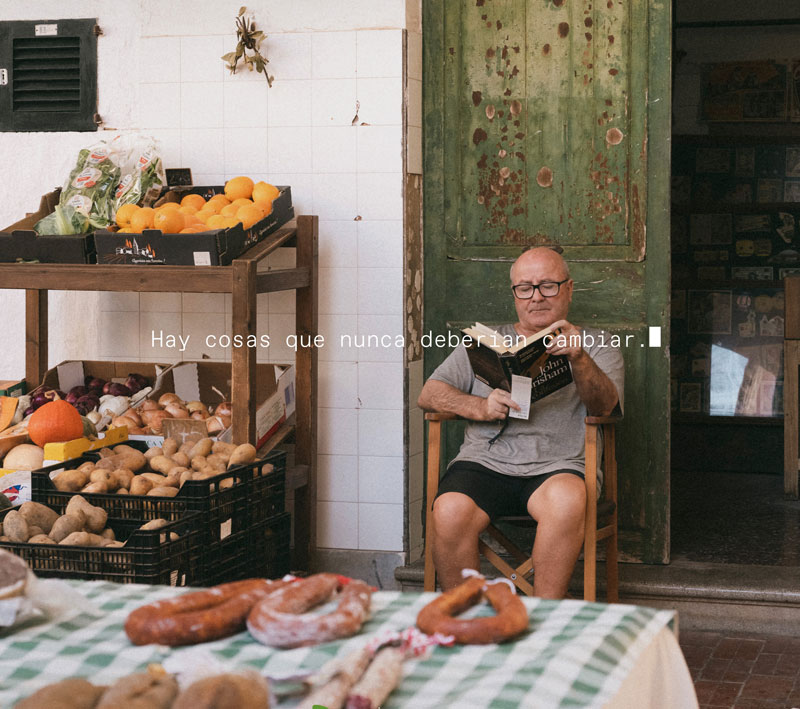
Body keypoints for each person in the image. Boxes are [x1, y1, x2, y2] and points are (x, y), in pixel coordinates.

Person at [417, 246, 624, 598]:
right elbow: (429, 394)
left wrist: (579, 359)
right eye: (525, 288)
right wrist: (480, 406)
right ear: (514, 293)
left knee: (567, 501)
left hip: (557, 467)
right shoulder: (483, 342)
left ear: (569, 289)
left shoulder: (596, 344)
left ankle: (540, 620)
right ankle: (465, 616)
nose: (536, 297)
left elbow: (606, 408)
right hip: (485, 464)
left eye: (548, 285)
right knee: (449, 509)